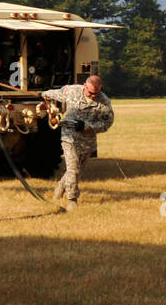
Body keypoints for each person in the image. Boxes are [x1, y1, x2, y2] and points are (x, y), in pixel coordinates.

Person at [40, 74, 113, 212]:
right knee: (73, 169)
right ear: (85, 86)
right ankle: (72, 199)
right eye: (91, 93)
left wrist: (86, 126)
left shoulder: (104, 102)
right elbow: (58, 94)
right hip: (69, 138)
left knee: (76, 172)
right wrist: (44, 94)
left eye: (96, 93)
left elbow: (106, 124)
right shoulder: (72, 91)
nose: (93, 96)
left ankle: (59, 190)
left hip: (87, 142)